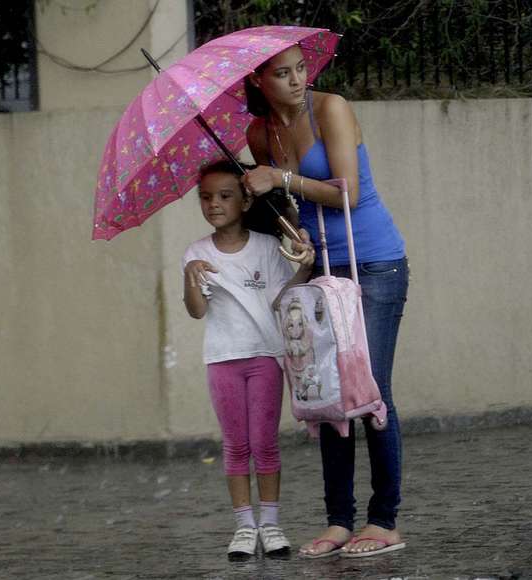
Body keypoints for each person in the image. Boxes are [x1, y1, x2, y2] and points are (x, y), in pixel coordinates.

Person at [241, 43, 409, 559]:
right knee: (328, 392)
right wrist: (288, 227)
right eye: (282, 73)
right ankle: (339, 520)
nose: (297, 80)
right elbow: (290, 207)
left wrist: (280, 177)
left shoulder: (330, 108)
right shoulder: (258, 134)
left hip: (375, 262)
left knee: (369, 388)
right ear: (259, 81)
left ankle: (384, 520)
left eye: (300, 69)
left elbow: (346, 193)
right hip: (322, 269)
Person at [182, 160, 315, 560]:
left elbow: (280, 300)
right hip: (223, 360)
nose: (214, 204)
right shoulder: (196, 253)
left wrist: (304, 270)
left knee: (264, 442)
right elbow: (196, 311)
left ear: (245, 201)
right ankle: (244, 526)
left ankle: (271, 523)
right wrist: (190, 276)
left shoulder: (265, 247)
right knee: (236, 445)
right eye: (206, 197)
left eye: (225, 196)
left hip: (266, 358)